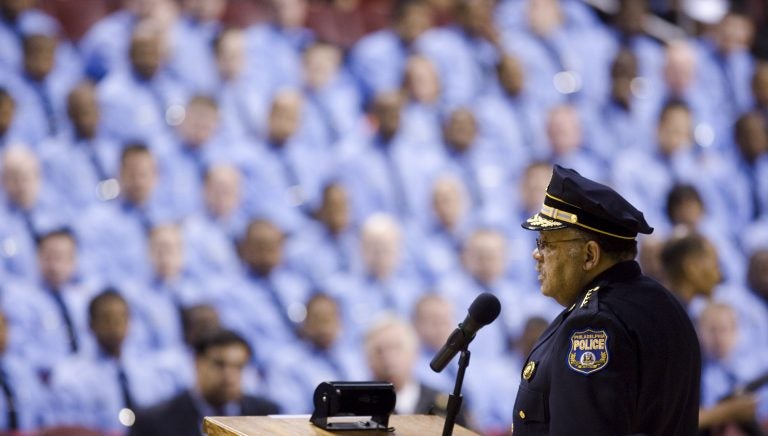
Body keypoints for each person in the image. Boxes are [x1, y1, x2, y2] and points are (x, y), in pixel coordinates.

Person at [512, 165, 700, 435]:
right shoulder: (663, 302)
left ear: (589, 256)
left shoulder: (592, 324)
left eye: (547, 244)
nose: (536, 254)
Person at [128, 329, 280, 436]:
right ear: (197, 363)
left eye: (238, 367)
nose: (229, 375)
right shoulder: (154, 422)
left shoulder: (266, 415)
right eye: (220, 365)